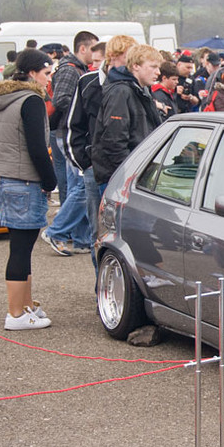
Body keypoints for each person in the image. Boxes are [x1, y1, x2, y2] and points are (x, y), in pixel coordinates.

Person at [0, 49, 56, 330]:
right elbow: (38, 148)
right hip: (24, 182)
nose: (49, 80)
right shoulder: (31, 100)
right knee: (21, 249)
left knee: (19, 246)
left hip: (3, 179)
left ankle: (24, 306)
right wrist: (50, 181)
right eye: (47, 74)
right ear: (33, 73)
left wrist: (3, 167)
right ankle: (16, 313)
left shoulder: (0, 99)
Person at [66, 34, 137, 271]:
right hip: (95, 169)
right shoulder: (87, 82)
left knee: (125, 231)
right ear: (115, 57)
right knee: (98, 232)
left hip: (125, 168)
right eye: (129, 57)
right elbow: (73, 125)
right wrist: (84, 162)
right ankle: (101, 286)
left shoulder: (133, 84)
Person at [42, 30, 99, 257]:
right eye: (93, 49)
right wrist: (82, 111)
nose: (95, 55)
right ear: (82, 48)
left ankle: (81, 238)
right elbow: (62, 99)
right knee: (82, 187)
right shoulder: (70, 71)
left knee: (78, 187)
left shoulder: (78, 70)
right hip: (69, 134)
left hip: (68, 133)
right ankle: (57, 231)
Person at [91, 45, 163, 188]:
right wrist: (130, 174)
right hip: (120, 176)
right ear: (136, 66)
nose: (158, 72)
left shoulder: (141, 90)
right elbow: (114, 140)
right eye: (153, 67)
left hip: (135, 171)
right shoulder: (121, 92)